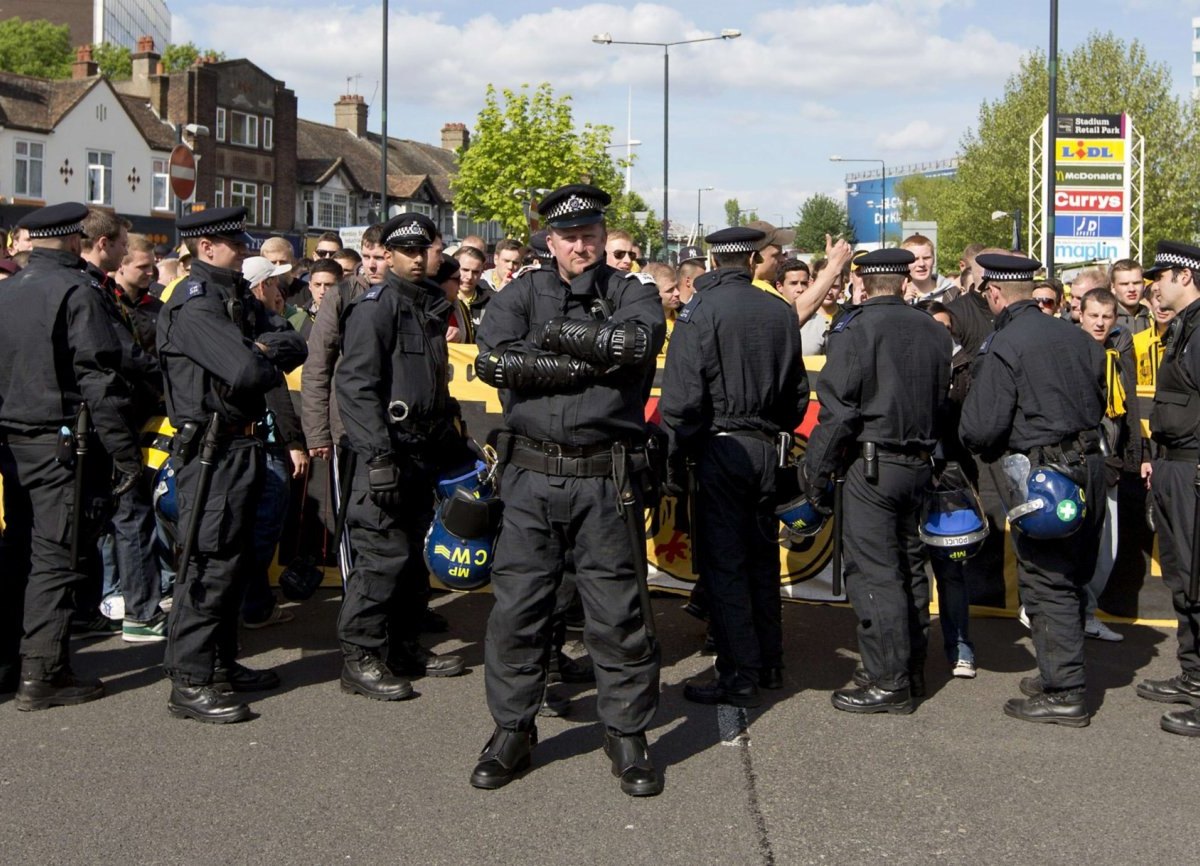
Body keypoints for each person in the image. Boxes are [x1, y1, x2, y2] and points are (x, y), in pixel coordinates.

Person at [472, 183, 666, 796]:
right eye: (569, 236)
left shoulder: (633, 291)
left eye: (591, 235)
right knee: (519, 610)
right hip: (529, 476)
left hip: (606, 477)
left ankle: (627, 734)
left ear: (605, 237)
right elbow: (493, 362)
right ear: (548, 241)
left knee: (617, 613)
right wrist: (591, 358)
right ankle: (512, 728)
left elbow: (636, 344)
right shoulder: (519, 292)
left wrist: (547, 344)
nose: (582, 246)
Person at [156, 206, 308, 724]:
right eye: (235, 243)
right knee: (208, 564)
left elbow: (294, 341)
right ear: (205, 248)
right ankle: (190, 680)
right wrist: (260, 351)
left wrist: (261, 347)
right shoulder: (194, 304)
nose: (245, 250)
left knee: (236, 562)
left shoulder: (234, 296)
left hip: (241, 447)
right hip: (210, 450)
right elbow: (247, 370)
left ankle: (221, 664)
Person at [0, 202, 142, 707]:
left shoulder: (9, 289)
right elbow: (100, 381)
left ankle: (11, 661)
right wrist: (126, 455)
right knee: (55, 558)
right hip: (62, 445)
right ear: (74, 239)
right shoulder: (77, 292)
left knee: (19, 551)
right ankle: (44, 673)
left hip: (15, 443)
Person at [661, 227, 808, 708]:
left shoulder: (699, 312)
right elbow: (797, 394)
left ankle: (738, 672)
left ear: (711, 260)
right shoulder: (779, 311)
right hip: (768, 446)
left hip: (721, 447)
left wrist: (681, 448)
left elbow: (681, 401)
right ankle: (768, 663)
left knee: (726, 565)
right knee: (762, 561)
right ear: (750, 261)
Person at [960, 253, 1106, 727]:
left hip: (1045, 474)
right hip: (1089, 464)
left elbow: (982, 428)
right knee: (1070, 575)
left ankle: (1064, 690)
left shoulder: (1004, 343)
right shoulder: (1077, 335)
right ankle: (1054, 673)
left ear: (996, 294)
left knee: (1047, 582)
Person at [804, 249, 951, 714]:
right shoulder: (932, 329)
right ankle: (908, 671)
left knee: (874, 575)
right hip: (918, 463)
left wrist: (815, 472)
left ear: (862, 283)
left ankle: (887, 680)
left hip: (873, 464)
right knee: (909, 570)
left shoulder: (855, 327)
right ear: (905, 281)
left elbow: (839, 410)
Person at [334, 213, 467, 702]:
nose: (416, 258)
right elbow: (355, 386)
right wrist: (377, 456)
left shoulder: (427, 305)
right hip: (386, 452)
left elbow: (430, 383)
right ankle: (361, 656)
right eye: (405, 251)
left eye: (422, 249)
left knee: (411, 556)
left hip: (422, 449)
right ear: (387, 255)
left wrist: (454, 437)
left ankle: (403, 645)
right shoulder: (377, 306)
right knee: (381, 557)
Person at [1136, 241, 1200, 737]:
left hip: (1194, 467)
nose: (1154, 285)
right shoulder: (1183, 327)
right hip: (1174, 464)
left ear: (1185, 275)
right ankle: (1194, 675)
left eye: (1161, 276)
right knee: (1183, 579)